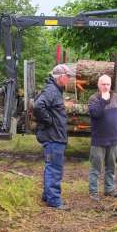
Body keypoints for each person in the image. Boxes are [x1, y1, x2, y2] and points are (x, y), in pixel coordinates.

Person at [33, 64, 75, 210]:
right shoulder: (51, 90)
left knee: (51, 167)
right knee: (54, 169)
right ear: (60, 77)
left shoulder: (55, 90)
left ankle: (47, 195)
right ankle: (54, 200)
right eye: (68, 76)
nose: (69, 79)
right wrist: (48, 121)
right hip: (53, 137)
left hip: (56, 136)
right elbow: (38, 106)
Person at [88, 74, 117, 201]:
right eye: (103, 84)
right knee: (96, 167)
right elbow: (96, 114)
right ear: (98, 85)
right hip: (99, 139)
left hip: (114, 139)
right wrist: (104, 100)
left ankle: (109, 189)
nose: (106, 87)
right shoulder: (93, 99)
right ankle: (93, 191)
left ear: (111, 85)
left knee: (111, 166)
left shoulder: (116, 97)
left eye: (108, 84)